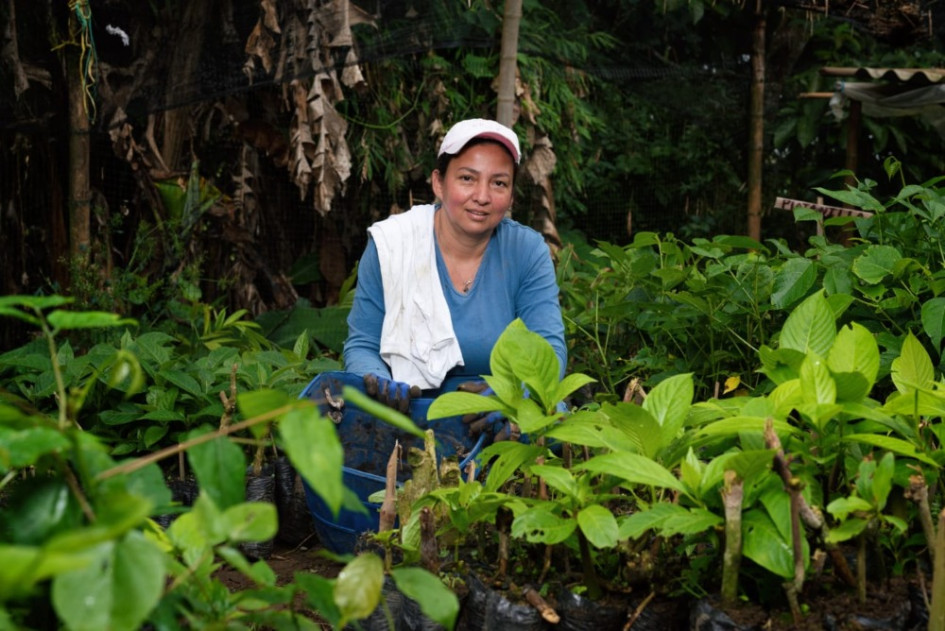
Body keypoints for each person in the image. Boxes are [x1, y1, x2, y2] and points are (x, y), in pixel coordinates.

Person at [341, 118, 567, 443]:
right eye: (467, 178)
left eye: (499, 183)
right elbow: (363, 344)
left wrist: (512, 393)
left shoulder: (526, 251)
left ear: (512, 196)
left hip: (498, 406)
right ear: (438, 183)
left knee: (554, 419)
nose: (482, 196)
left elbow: (550, 348)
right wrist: (379, 383)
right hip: (414, 408)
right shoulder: (392, 244)